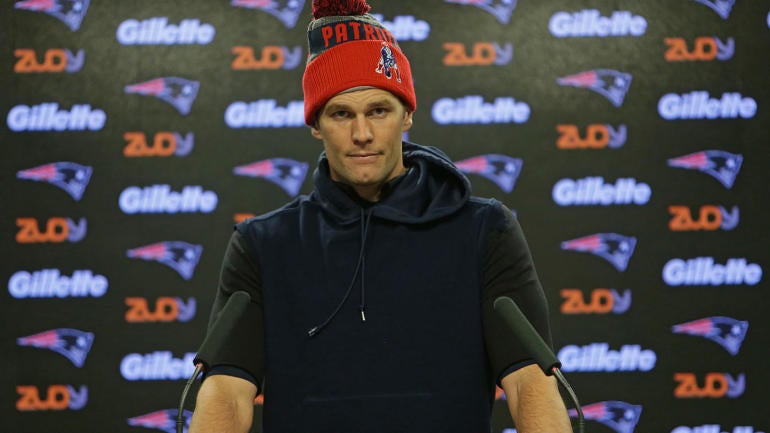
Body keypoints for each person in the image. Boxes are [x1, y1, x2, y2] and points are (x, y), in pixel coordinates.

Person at [189, 1, 573, 432]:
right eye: (341, 114)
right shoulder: (263, 244)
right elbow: (226, 390)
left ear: (407, 114)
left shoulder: (484, 231)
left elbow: (529, 383)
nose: (362, 134)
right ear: (315, 123)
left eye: (378, 110)